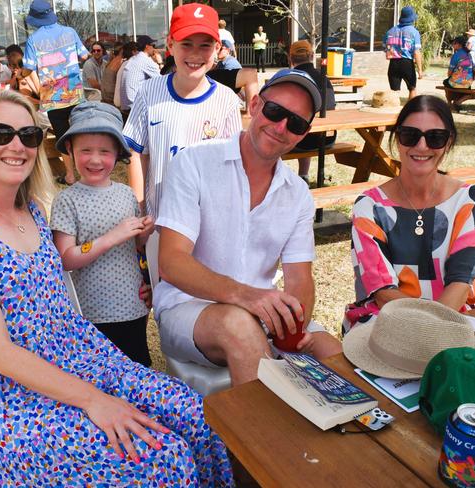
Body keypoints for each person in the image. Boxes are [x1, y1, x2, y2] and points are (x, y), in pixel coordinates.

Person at [0, 89, 234, 485]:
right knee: (160, 456)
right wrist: (94, 400)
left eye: (29, 135)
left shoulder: (34, 212)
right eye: (1, 133)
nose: (17, 145)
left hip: (74, 353)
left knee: (194, 412)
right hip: (3, 394)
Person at [154, 69, 342, 386]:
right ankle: (261, 435)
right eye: (275, 111)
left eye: (295, 123)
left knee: (334, 352)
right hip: (188, 308)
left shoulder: (297, 193)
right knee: (240, 327)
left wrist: (295, 326)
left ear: (303, 133)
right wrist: (246, 296)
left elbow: (300, 279)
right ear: (254, 105)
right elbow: (171, 262)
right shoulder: (194, 163)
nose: (282, 127)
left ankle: (348, 432)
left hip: (260, 311)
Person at [343, 95, 475, 332]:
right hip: (385, 323)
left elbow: (460, 281)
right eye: (410, 135)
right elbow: (382, 292)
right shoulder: (369, 206)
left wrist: (430, 334)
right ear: (397, 139)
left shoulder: (471, 202)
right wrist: (420, 335)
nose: (421, 146)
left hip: (449, 322)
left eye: (435, 137)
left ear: (448, 141)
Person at [50, 102, 154, 366]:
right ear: (70, 150)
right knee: (98, 376)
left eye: (105, 151)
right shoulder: (67, 201)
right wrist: (111, 238)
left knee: (136, 368)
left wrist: (144, 234)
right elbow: (65, 258)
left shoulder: (127, 194)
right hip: (91, 312)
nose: (95, 159)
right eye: (86, 150)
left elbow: (135, 248)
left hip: (132, 306)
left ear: (118, 153)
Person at [123, 3, 242, 218]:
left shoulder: (227, 101)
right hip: (158, 220)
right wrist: (139, 213)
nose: (195, 54)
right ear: (170, 44)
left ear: (217, 48)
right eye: (186, 44)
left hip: (207, 220)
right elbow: (136, 153)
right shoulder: (149, 91)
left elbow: (232, 168)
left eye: (205, 45)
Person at [20, 0, 90, 186]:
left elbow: (27, 69)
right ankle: (86, 174)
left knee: (62, 135)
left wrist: (21, 74)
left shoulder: (33, 40)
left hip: (53, 98)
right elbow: (84, 56)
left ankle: (70, 176)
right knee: (80, 134)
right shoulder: (70, 32)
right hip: (75, 93)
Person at [287, 40, 336, 185]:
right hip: (327, 139)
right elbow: (331, 106)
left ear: (290, 57)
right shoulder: (324, 79)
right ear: (312, 55)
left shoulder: (291, 79)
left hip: (301, 141)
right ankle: (303, 175)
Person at [383, 6, 423, 100]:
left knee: (394, 91)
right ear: (412, 19)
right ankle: (410, 110)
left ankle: (392, 110)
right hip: (407, 63)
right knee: (412, 88)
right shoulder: (414, 32)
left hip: (393, 63)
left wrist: (391, 52)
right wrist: (420, 70)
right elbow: (417, 52)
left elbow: (385, 47)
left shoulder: (390, 31)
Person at [120, 35, 162, 114]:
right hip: (135, 108)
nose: (154, 48)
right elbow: (162, 82)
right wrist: (160, 62)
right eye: (153, 46)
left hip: (126, 106)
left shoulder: (134, 58)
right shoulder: (145, 60)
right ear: (147, 46)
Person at [442, 36, 475, 111]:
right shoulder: (469, 55)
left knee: (446, 82)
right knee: (464, 89)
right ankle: (458, 102)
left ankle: (450, 103)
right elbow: (473, 67)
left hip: (457, 82)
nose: (452, 45)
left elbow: (449, 73)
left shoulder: (456, 55)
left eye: (454, 43)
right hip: (468, 83)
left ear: (459, 45)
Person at [114, 42, 138, 109]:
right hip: (126, 106)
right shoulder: (133, 64)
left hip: (119, 103)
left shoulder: (125, 63)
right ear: (133, 52)